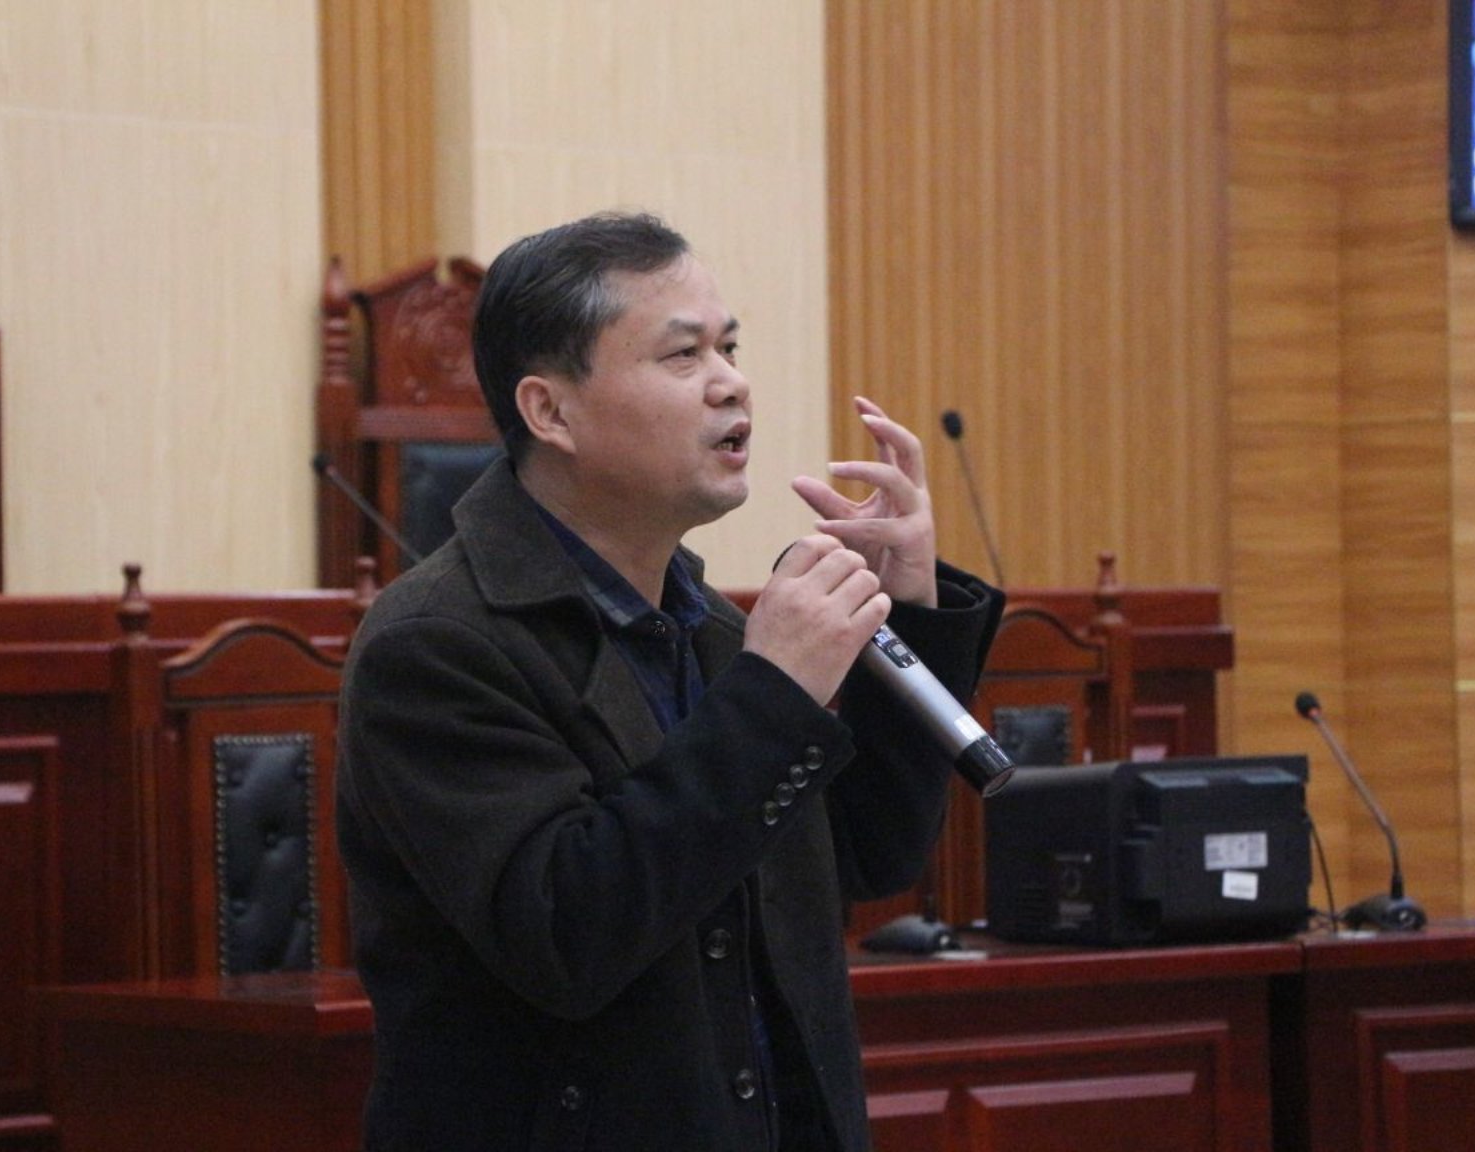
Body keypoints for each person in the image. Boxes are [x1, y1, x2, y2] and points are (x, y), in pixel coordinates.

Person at [334, 211, 1003, 1152]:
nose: (731, 382)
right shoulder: (435, 646)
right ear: (550, 413)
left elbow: (865, 857)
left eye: (729, 347)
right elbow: (567, 933)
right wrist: (774, 696)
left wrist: (912, 610)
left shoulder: (715, 628)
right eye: (684, 355)